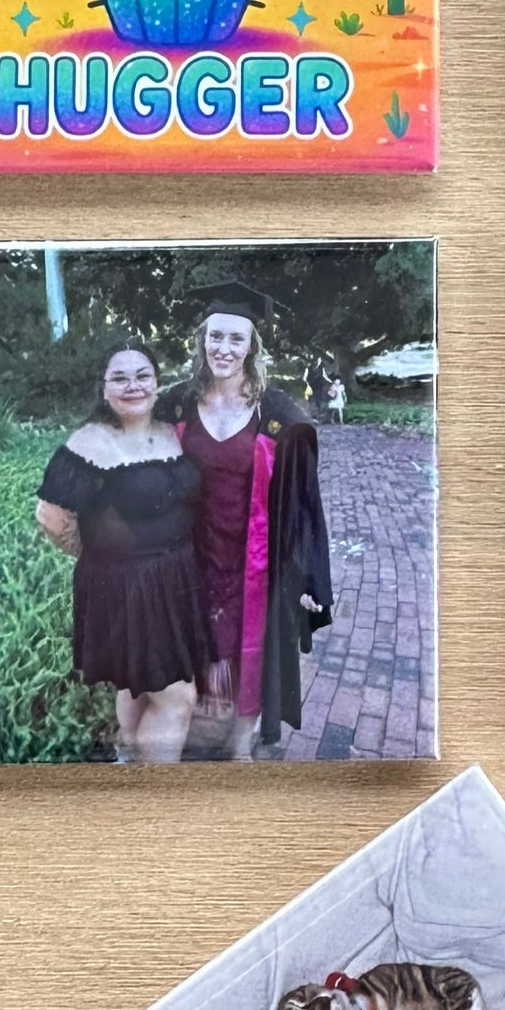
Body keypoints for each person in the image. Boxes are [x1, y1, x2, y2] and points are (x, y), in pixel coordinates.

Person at [154, 282, 332, 761]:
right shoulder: (175, 403)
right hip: (189, 558)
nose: (223, 349)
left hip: (254, 561)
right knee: (194, 648)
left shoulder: (281, 416)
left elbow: (304, 504)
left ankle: (239, 747)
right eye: (216, 337)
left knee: (250, 653)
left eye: (236, 339)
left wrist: (309, 575)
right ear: (202, 341)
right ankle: (191, 731)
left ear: (252, 347)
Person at [36, 340, 216, 763]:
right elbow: (51, 515)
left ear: (157, 383)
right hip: (124, 586)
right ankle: (155, 803)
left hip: (175, 580)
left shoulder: (170, 431)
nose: (132, 385)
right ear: (103, 388)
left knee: (137, 684)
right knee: (178, 697)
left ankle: (128, 759)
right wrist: (93, 552)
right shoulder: (89, 442)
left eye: (142, 375)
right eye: (119, 377)